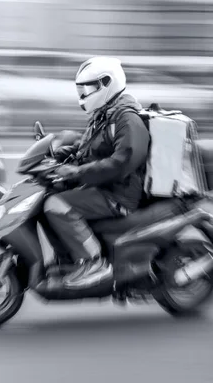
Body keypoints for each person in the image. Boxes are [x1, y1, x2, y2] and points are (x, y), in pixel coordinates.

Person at [43, 56, 150, 290]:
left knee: (57, 204)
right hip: (103, 185)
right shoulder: (105, 114)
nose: (83, 94)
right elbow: (88, 147)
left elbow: (123, 162)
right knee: (48, 196)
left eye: (88, 88)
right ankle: (69, 259)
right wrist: (58, 153)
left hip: (118, 194)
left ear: (106, 83)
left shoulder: (126, 118)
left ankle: (94, 262)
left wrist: (78, 173)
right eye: (81, 89)